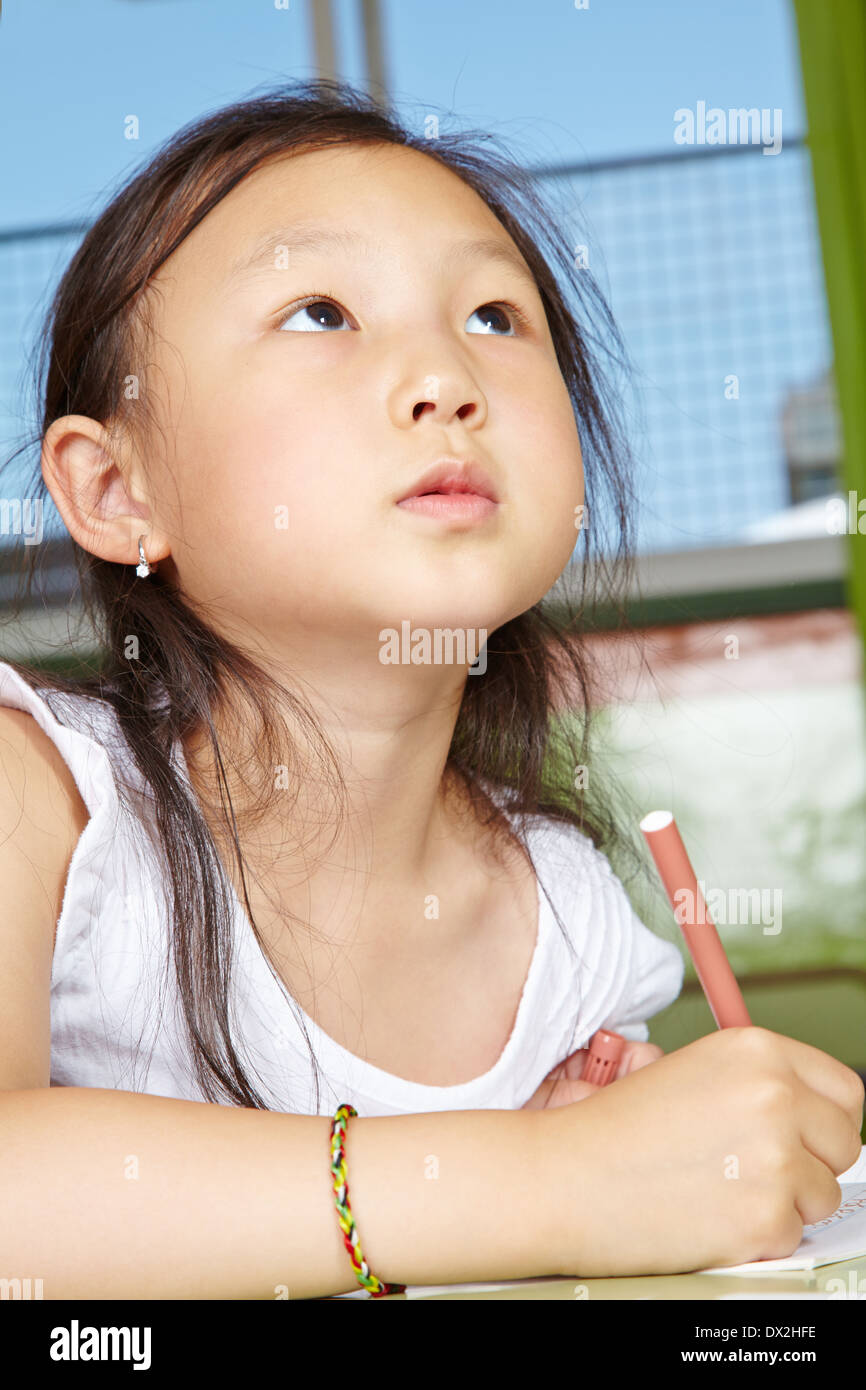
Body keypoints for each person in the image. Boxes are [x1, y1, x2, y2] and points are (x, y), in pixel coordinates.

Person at [0, 78, 860, 1300]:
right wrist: (544, 1180)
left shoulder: (567, 921)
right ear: (115, 491)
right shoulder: (38, 794)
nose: (444, 376)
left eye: (497, 318)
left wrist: (671, 1169)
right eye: (319, 311)